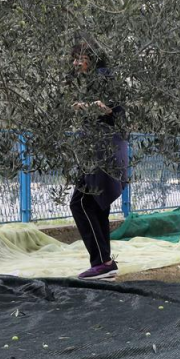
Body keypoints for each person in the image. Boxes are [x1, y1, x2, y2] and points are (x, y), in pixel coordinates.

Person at [68, 38, 129, 281]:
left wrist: (102, 108)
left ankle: (102, 262)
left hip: (103, 148)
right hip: (101, 148)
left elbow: (115, 110)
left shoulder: (103, 78)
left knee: (81, 203)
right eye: (74, 58)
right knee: (96, 204)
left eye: (80, 58)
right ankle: (105, 263)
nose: (76, 63)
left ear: (92, 59)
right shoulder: (90, 81)